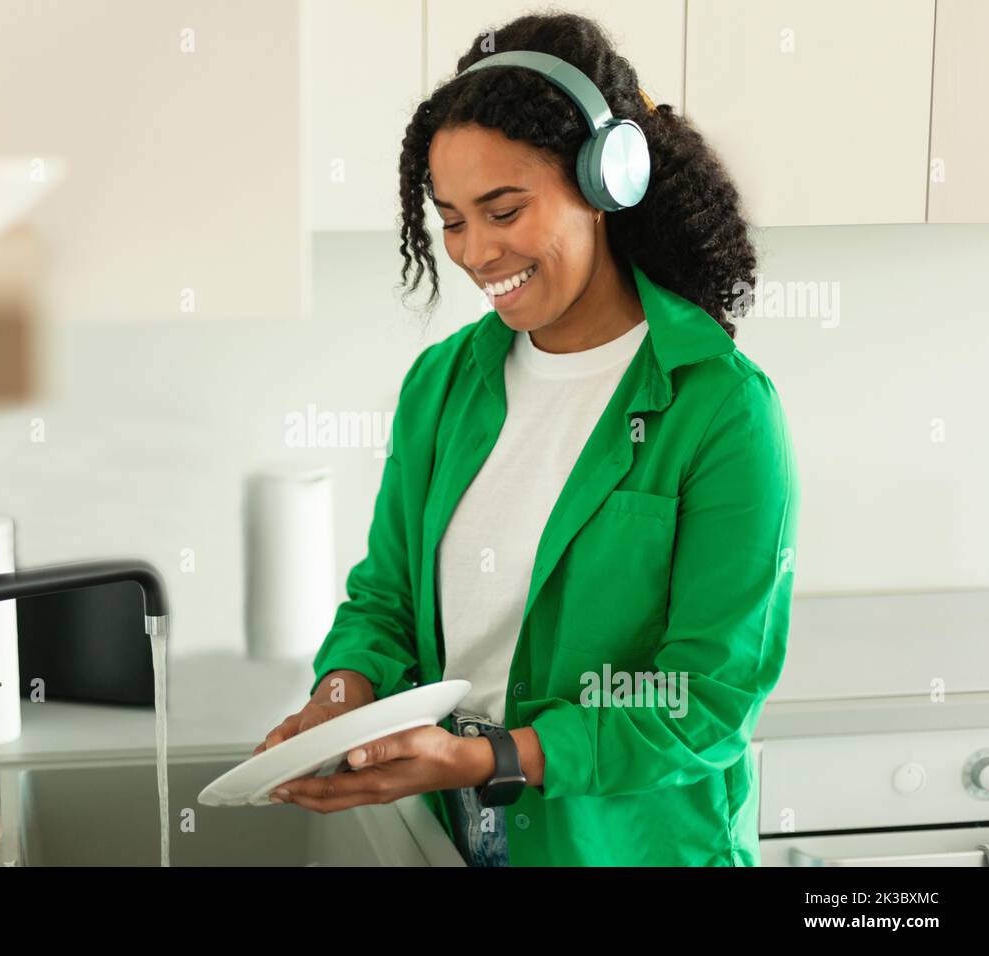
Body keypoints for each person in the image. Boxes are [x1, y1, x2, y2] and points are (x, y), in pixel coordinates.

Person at [252, 11, 799, 867]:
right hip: (460, 840)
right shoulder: (443, 386)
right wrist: (340, 694)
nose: (475, 252)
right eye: (452, 219)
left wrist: (493, 758)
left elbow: (705, 700)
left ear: (605, 185)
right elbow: (386, 601)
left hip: (633, 848)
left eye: (503, 209)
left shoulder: (720, 408)